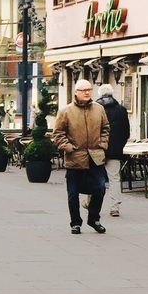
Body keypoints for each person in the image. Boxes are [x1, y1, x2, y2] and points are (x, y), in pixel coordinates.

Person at [52, 79, 110, 235]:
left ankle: (94, 219)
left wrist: (102, 144)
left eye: (89, 90)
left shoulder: (99, 109)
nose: (87, 92)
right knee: (73, 194)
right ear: (76, 92)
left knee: (100, 188)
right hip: (75, 158)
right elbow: (57, 134)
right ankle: (75, 223)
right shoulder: (66, 111)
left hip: (95, 157)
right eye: (83, 90)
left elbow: (105, 128)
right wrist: (68, 147)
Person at [96, 83, 130, 217]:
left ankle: (90, 202)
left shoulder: (94, 109)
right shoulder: (121, 110)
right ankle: (114, 207)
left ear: (99, 95)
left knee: (94, 177)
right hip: (115, 151)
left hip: (97, 150)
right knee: (114, 179)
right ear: (112, 94)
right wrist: (119, 145)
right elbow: (126, 132)